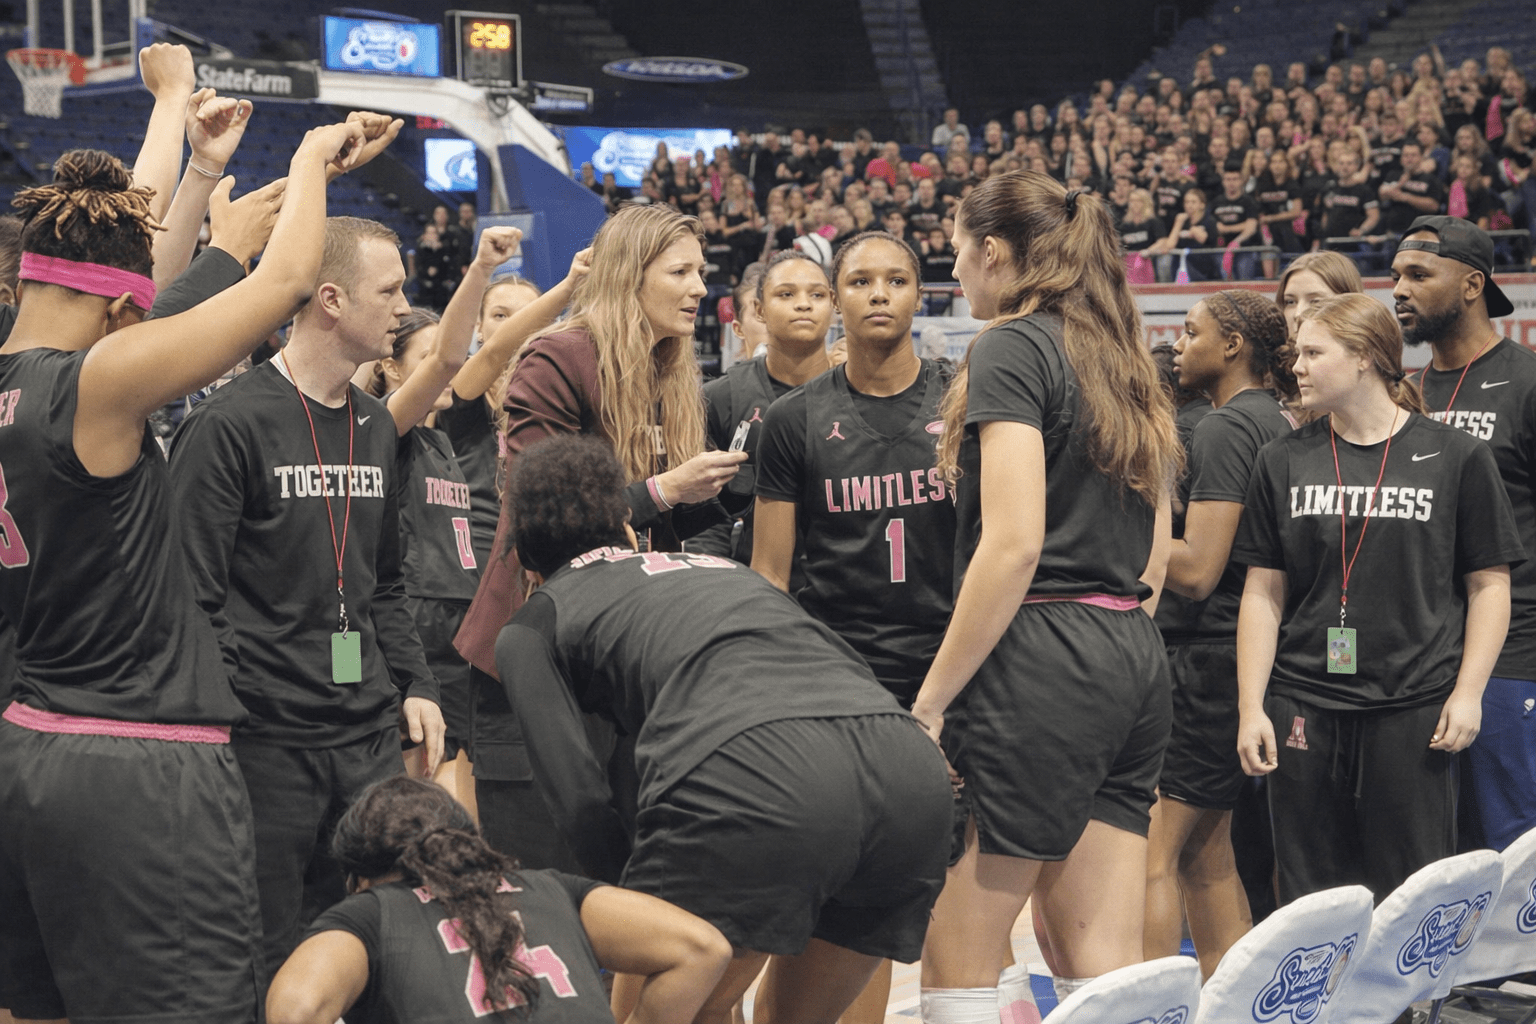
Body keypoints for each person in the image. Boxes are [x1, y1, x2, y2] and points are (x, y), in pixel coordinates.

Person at [0, 105, 376, 1021]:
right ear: (121, 314)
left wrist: (190, 153)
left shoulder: (26, 377)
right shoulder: (95, 385)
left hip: (32, 743)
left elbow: (141, 286)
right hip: (141, 756)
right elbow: (289, 279)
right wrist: (312, 156)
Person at [495, 434, 952, 1024]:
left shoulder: (535, 621)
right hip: (905, 769)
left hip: (759, 772)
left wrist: (634, 908)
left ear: (528, 562)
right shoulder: (727, 570)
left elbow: (578, 798)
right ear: (627, 530)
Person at [913, 173, 1180, 1020]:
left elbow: (1015, 543)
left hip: (1039, 659)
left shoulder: (1011, 347)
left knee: (956, 966)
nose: (957, 271)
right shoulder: (1120, 352)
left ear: (994, 251)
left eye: (958, 251)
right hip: (1131, 655)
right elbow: (1158, 544)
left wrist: (929, 703)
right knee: (1097, 964)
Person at [170, 205, 445, 982]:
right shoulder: (227, 425)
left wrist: (416, 683)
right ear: (331, 299)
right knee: (264, 949)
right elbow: (192, 595)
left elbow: (384, 582)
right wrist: (232, 715)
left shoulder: (377, 426)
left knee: (371, 942)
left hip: (364, 734)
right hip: (266, 742)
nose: (403, 308)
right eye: (389, 291)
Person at [452, 204, 745, 873]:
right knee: (542, 885)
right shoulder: (558, 356)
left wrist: (734, 495)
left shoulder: (670, 369)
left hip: (626, 660)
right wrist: (666, 489)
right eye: (681, 272)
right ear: (628, 274)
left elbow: (657, 529)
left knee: (629, 881)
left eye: (701, 272)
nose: (700, 288)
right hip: (537, 659)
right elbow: (545, 515)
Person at [1233, 292, 1520, 902]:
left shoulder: (1457, 456)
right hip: (1304, 700)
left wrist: (1468, 693)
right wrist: (1251, 706)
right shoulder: (1280, 459)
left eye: (1313, 353)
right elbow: (1263, 591)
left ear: (1364, 356)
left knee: (1409, 893)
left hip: (1413, 705)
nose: (1297, 366)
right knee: (1311, 900)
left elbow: (1490, 585)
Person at [266, 775, 731, 1024]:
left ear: (359, 878)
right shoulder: (551, 887)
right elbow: (702, 948)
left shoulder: (368, 914)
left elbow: (295, 1011)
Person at [1144, 291, 1297, 978]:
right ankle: (1231, 1004)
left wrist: (1129, 528)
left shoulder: (1225, 427)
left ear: (1233, 345)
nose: (1178, 345)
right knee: (1207, 858)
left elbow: (1198, 569)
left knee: (1149, 857)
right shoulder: (1275, 418)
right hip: (1236, 657)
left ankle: (1149, 1012)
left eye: (1191, 331)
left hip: (1205, 656)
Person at [755, 232, 954, 709]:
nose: (879, 294)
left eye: (897, 281)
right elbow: (770, 575)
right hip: (837, 669)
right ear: (835, 299)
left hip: (956, 660)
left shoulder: (964, 398)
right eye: (860, 281)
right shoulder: (792, 417)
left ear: (919, 297)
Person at [362, 227, 521, 808]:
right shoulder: (389, 429)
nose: (448, 369)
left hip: (461, 617)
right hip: (414, 617)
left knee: (454, 773)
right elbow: (461, 353)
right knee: (415, 779)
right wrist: (480, 270)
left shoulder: (448, 440)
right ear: (392, 370)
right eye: (427, 359)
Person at [1393, 216, 1536, 853]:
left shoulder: (1527, 382)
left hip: (1514, 657)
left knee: (1516, 853)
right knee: (1442, 859)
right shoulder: (1408, 392)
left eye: (1419, 275)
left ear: (1473, 285)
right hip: (1424, 657)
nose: (1400, 289)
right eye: (1396, 275)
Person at [698, 250, 833, 567]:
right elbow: (705, 520)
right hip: (749, 582)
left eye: (817, 294)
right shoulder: (718, 398)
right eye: (786, 294)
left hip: (842, 586)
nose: (803, 304)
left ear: (834, 304)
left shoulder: (860, 392)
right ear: (760, 311)